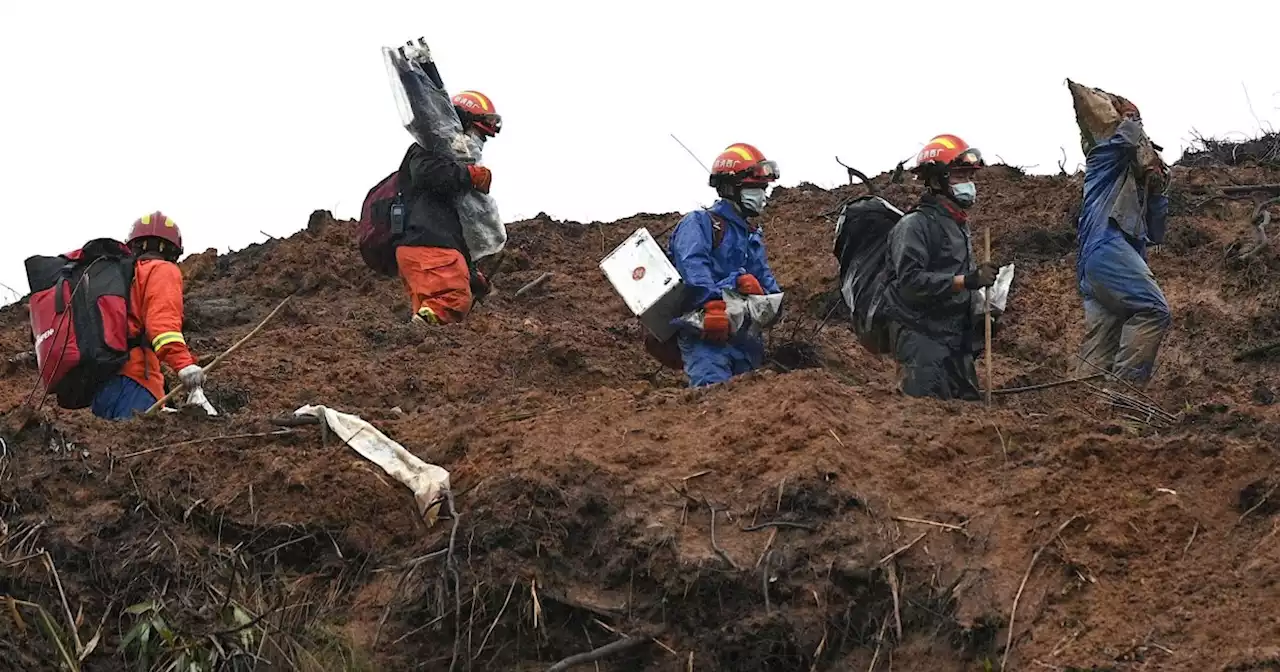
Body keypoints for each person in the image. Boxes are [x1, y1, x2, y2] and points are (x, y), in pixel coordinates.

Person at [883, 134, 998, 401]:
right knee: (925, 420)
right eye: (959, 177)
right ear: (937, 180)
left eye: (969, 176)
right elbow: (910, 284)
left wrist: (980, 306)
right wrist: (965, 281)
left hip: (955, 338)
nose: (967, 184)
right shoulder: (914, 225)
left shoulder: (957, 224)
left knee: (966, 412)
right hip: (921, 340)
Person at [667, 142, 782, 387]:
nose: (762, 195)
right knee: (714, 404)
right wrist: (726, 292)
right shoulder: (700, 223)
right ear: (731, 188)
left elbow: (768, 285)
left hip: (746, 343)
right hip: (708, 338)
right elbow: (693, 268)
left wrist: (767, 298)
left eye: (763, 188)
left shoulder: (751, 236)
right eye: (755, 188)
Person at [1075, 100, 1171, 388]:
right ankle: (1122, 397)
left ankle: (1079, 411)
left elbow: (1157, 233)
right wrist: (1132, 119)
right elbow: (1123, 142)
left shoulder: (1134, 185)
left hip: (1101, 265)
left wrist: (1157, 191)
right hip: (1106, 250)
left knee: (1099, 349)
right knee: (1153, 310)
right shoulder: (1101, 159)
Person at [396, 90, 500, 325]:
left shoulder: (446, 157)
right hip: (428, 245)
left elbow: (453, 225)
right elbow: (427, 174)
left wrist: (472, 275)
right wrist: (469, 175)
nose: (479, 143)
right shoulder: (429, 145)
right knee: (450, 301)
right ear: (461, 123)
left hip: (424, 247)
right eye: (478, 134)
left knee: (434, 320)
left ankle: (416, 352)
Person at [91, 211, 206, 420]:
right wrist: (185, 366)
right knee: (142, 446)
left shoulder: (122, 276)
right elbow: (162, 327)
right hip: (134, 380)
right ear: (171, 250)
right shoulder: (162, 270)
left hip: (101, 385)